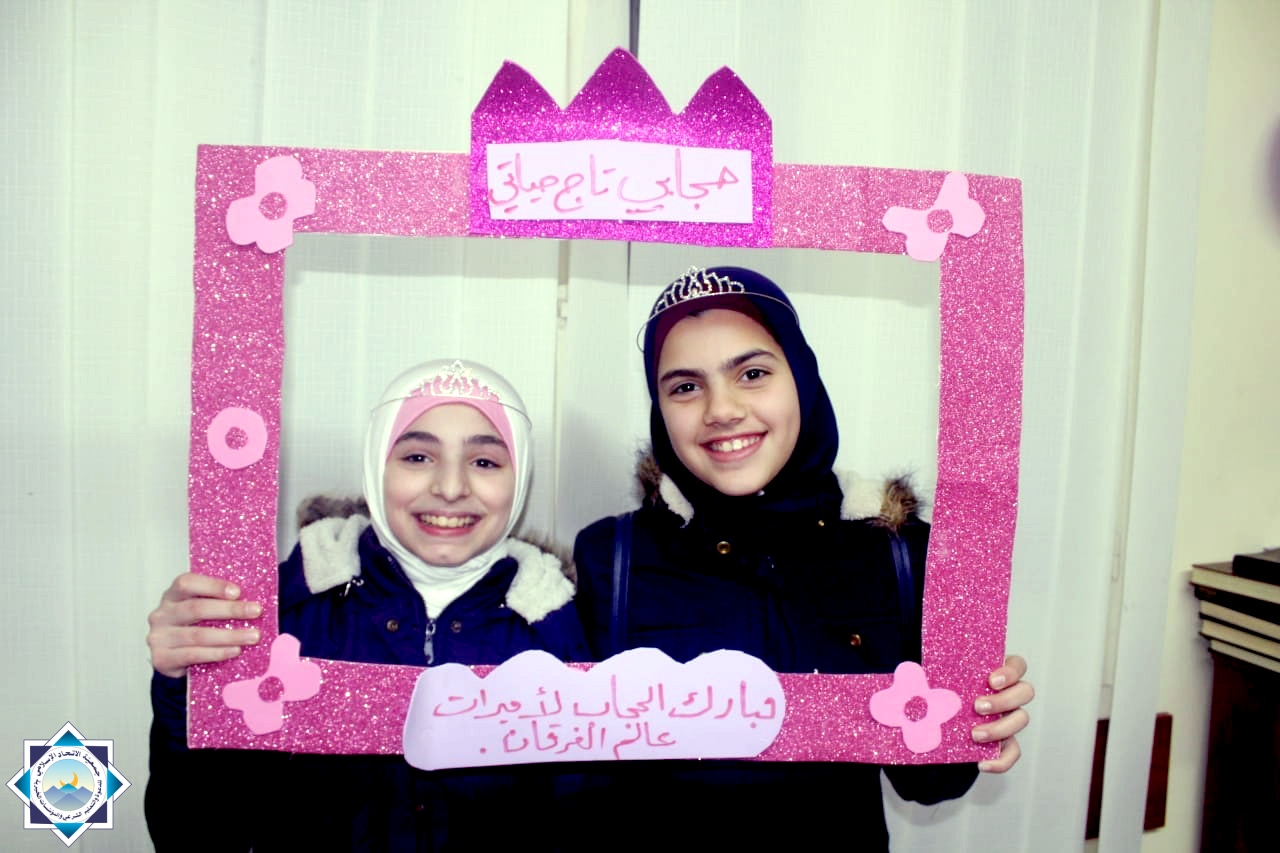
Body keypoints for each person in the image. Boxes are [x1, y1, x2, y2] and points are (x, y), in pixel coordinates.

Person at [570, 266, 1033, 849]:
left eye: (753, 373)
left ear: (802, 379)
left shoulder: (896, 551)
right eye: (685, 387)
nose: (721, 409)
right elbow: (577, 782)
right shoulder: (611, 559)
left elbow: (931, 783)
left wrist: (977, 720)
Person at [145, 358, 589, 851]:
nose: (450, 488)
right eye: (417, 457)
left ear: (519, 477)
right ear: (378, 465)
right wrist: (186, 688)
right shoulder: (285, 610)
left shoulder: (558, 632)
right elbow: (195, 835)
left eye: (484, 462)